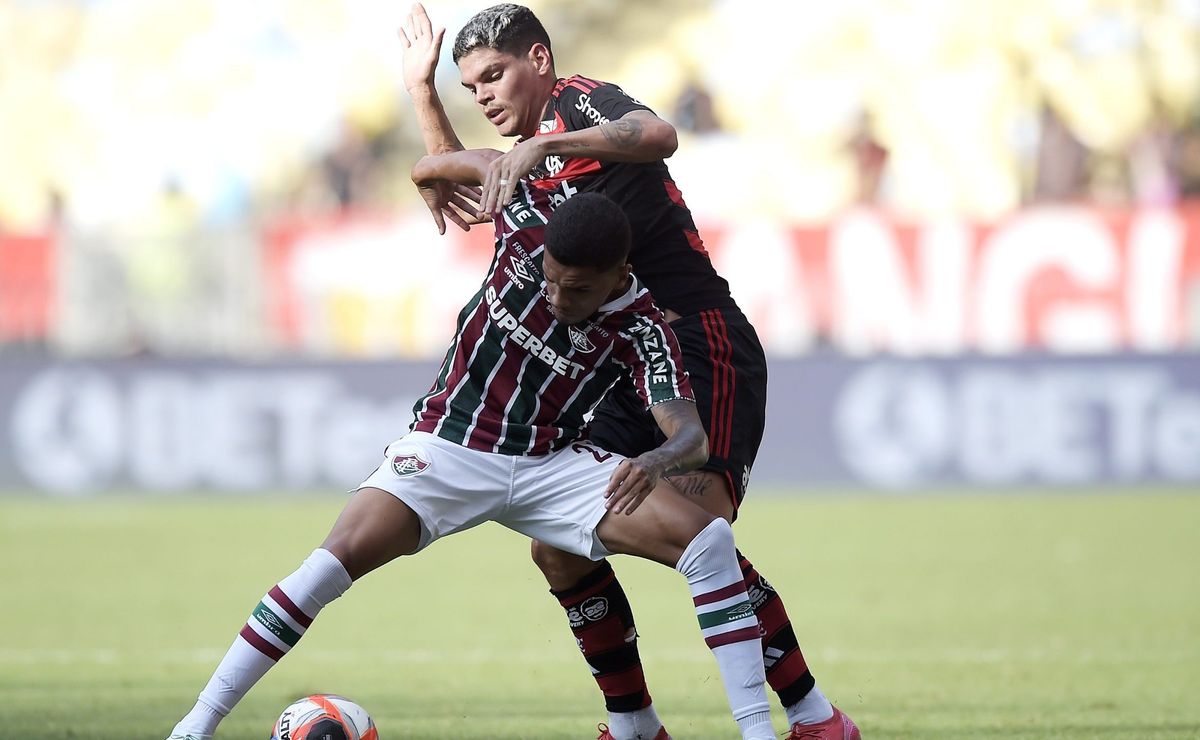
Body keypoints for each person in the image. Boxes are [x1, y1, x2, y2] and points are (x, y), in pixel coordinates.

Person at [167, 156, 780, 740]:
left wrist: (655, 460)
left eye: (580, 291)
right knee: (333, 560)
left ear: (619, 276)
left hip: (550, 465)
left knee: (710, 542)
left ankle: (753, 730)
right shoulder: (520, 227)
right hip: (450, 445)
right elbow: (445, 164)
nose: (560, 301)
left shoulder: (644, 325)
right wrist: (425, 129)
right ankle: (196, 724)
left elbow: (691, 436)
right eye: (552, 283)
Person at [398, 5, 860, 739]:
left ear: (539, 60)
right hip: (624, 361)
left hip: (700, 344)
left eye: (494, 74)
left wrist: (547, 141)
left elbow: (657, 134)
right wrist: (423, 94)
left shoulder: (579, 102)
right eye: (470, 85)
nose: (482, 95)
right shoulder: (534, 155)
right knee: (557, 548)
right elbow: (479, 195)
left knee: (701, 534)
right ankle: (635, 725)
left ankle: (814, 718)